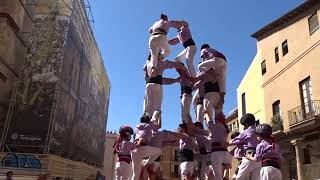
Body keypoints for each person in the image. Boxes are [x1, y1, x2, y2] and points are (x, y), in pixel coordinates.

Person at [143, 53, 184, 118]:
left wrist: (175, 80)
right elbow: (172, 64)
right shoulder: (160, 62)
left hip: (148, 85)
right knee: (157, 107)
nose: (162, 56)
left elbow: (159, 80)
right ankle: (153, 122)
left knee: (148, 106)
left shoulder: (146, 65)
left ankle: (146, 120)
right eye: (160, 54)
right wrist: (181, 65)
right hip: (156, 85)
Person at [228, 113, 261, 180]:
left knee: (239, 177)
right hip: (258, 158)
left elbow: (233, 141)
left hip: (249, 156)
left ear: (246, 124)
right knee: (256, 178)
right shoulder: (258, 131)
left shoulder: (246, 132)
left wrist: (226, 143)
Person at [131, 112, 162, 180]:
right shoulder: (149, 125)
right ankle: (147, 164)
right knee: (159, 151)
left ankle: (146, 165)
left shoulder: (137, 126)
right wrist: (159, 116)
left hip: (134, 150)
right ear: (148, 121)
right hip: (142, 147)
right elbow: (159, 126)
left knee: (135, 174)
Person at [198, 44, 227, 112]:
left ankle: (213, 76)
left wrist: (204, 71)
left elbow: (203, 58)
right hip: (223, 62)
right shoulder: (213, 50)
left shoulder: (204, 49)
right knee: (222, 79)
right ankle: (222, 98)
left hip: (216, 59)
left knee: (199, 66)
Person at [206, 112, 232, 180]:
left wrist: (206, 114)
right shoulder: (226, 129)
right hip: (226, 153)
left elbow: (208, 120)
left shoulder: (214, 126)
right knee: (225, 170)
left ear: (217, 119)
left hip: (217, 153)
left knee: (217, 176)